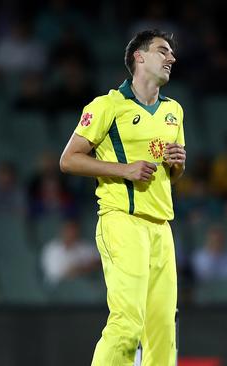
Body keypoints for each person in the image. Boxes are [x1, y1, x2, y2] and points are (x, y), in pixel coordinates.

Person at [59, 29, 186, 366]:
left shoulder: (174, 111)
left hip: (161, 227)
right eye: (162, 51)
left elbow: (173, 174)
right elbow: (68, 159)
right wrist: (125, 170)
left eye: (171, 53)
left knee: (162, 331)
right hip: (122, 220)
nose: (171, 58)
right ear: (138, 57)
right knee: (128, 324)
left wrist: (178, 165)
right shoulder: (107, 106)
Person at [41, 219, 100, 285]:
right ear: (63, 232)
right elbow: (52, 273)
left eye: (73, 231)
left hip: (81, 284)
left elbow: (99, 259)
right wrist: (74, 270)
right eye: (68, 231)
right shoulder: (51, 248)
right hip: (58, 287)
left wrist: (83, 268)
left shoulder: (83, 246)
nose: (71, 234)